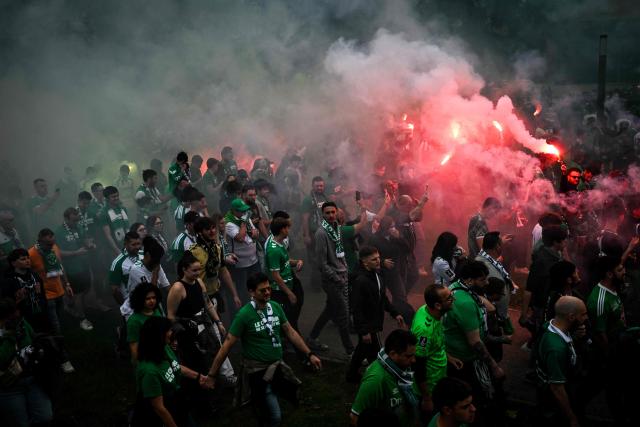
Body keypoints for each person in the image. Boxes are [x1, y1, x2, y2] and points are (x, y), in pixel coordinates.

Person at [205, 272, 322, 427]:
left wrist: (310, 354)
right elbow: (227, 345)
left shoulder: (275, 307)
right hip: (258, 373)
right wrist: (212, 375)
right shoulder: (244, 315)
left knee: (288, 396)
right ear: (251, 292)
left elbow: (290, 332)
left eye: (268, 288)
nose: (267, 292)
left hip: (276, 366)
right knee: (274, 416)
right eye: (262, 290)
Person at [167, 254, 235, 387]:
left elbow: (208, 303)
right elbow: (170, 315)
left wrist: (218, 322)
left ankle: (217, 379)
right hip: (188, 329)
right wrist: (174, 336)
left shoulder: (199, 282)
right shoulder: (177, 288)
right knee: (196, 358)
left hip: (204, 323)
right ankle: (198, 384)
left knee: (214, 351)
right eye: (194, 270)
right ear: (184, 270)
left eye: (199, 270)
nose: (198, 273)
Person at [443, 261, 502, 416]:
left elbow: (490, 308)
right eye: (482, 279)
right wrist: (494, 366)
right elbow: (475, 342)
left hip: (460, 356)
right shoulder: (465, 303)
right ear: (469, 280)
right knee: (474, 401)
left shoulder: (457, 287)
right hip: (465, 362)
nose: (487, 283)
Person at [132, 316, 206, 427]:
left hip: (175, 403)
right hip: (161, 414)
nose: (171, 333)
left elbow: (176, 367)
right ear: (159, 335)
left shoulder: (164, 347)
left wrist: (199, 377)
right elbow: (159, 408)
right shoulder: (149, 372)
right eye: (168, 330)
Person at [347, 246, 404, 383]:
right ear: (364, 262)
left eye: (378, 258)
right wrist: (364, 330)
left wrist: (395, 313)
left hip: (374, 321)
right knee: (378, 353)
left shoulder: (378, 274)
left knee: (362, 349)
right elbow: (357, 307)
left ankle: (351, 375)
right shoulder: (360, 281)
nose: (379, 261)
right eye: (374, 259)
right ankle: (381, 379)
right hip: (368, 325)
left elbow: (382, 297)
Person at [308, 201, 354, 355]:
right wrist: (336, 277)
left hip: (342, 274)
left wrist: (345, 269)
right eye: (327, 213)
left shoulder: (337, 228)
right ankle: (350, 351)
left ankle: (312, 338)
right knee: (343, 315)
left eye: (332, 212)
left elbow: (339, 254)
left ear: (336, 212)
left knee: (329, 310)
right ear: (322, 214)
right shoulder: (321, 233)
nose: (330, 215)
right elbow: (321, 263)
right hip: (332, 279)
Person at [27, 229, 75, 373]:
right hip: (46, 296)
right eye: (48, 244)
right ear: (40, 240)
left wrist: (67, 284)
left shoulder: (54, 248)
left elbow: (60, 267)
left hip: (59, 292)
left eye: (52, 243)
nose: (51, 246)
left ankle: (52, 345)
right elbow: (29, 275)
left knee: (58, 324)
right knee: (56, 327)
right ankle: (63, 358)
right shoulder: (31, 254)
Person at [0, 298, 53, 427]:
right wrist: (10, 336)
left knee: (45, 417)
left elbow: (33, 338)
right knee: (21, 423)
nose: (15, 320)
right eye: (10, 317)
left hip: (32, 379)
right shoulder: (9, 332)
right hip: (9, 386)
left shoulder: (21, 323)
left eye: (16, 315)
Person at [536, 296, 588, 427]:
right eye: (583, 315)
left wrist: (574, 337)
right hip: (554, 403)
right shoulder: (556, 348)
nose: (586, 318)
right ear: (571, 317)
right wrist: (571, 418)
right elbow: (557, 388)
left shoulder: (552, 324)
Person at [350, 329, 418, 427]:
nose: (413, 360)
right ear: (393, 354)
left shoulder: (401, 369)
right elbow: (355, 417)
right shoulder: (376, 380)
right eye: (408, 356)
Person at [412, 284, 455, 418]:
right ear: (437, 305)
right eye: (449, 298)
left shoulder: (428, 310)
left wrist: (449, 357)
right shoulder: (424, 331)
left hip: (439, 379)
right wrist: (427, 398)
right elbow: (418, 365)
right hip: (430, 388)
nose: (453, 299)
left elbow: (434, 346)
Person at [188, 216, 241, 320]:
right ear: (200, 232)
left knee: (220, 323)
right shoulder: (193, 252)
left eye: (213, 228)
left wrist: (235, 295)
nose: (212, 231)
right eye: (207, 229)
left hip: (215, 293)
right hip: (200, 297)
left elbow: (224, 271)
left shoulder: (217, 248)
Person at [521, 225, 568, 340]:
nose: (566, 243)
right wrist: (523, 314)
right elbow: (529, 289)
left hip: (552, 305)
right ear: (555, 242)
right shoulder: (541, 261)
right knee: (540, 336)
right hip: (542, 307)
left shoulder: (557, 255)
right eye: (563, 240)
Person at [56, 207, 95, 331]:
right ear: (66, 218)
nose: (75, 223)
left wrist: (89, 244)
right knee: (78, 293)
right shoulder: (59, 232)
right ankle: (82, 319)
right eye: (73, 220)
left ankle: (71, 305)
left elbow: (84, 239)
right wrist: (75, 253)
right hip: (72, 268)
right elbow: (58, 252)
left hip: (84, 264)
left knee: (86, 289)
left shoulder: (78, 227)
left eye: (77, 220)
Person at [265, 216, 304, 334]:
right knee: (288, 322)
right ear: (282, 230)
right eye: (287, 228)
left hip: (287, 287)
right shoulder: (273, 250)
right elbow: (276, 276)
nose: (289, 230)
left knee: (290, 320)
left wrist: (297, 262)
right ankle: (298, 349)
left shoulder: (279, 243)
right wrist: (290, 293)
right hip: (280, 292)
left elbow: (285, 261)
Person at [121, 237, 171, 320]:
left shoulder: (156, 263)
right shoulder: (136, 269)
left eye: (159, 259)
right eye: (156, 259)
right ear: (147, 255)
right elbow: (150, 292)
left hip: (152, 304)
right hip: (137, 309)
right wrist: (155, 273)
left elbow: (166, 286)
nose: (158, 262)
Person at [1, 249, 48, 332]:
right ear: (13, 263)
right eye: (23, 259)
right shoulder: (9, 281)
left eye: (28, 258)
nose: (27, 261)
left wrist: (44, 305)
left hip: (42, 313)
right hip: (25, 318)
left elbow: (43, 293)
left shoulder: (34, 275)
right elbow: (7, 302)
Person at [224, 198, 261, 305]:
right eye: (241, 210)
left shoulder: (245, 218)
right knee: (244, 289)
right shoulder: (229, 223)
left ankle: (257, 304)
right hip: (241, 263)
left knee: (256, 284)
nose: (244, 212)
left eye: (245, 210)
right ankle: (246, 308)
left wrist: (255, 232)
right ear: (234, 211)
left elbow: (255, 231)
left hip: (253, 260)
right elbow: (240, 237)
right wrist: (244, 222)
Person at [301, 176, 328, 288]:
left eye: (321, 185)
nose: (319, 188)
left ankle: (323, 281)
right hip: (313, 233)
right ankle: (315, 285)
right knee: (315, 260)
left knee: (324, 258)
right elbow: (305, 218)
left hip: (324, 233)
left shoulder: (324, 197)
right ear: (313, 186)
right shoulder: (308, 200)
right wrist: (307, 235)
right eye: (317, 186)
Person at [127, 282, 163, 362]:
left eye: (154, 298)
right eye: (148, 299)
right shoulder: (134, 321)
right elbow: (134, 349)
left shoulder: (156, 311)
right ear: (140, 299)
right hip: (147, 360)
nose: (152, 301)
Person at [109, 231, 143, 306]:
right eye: (133, 244)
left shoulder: (143, 255)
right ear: (125, 245)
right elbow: (114, 290)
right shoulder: (117, 263)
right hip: (132, 304)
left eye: (138, 244)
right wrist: (124, 307)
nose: (137, 247)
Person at [100, 186, 130, 256]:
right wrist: (117, 250)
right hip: (116, 249)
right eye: (113, 197)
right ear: (107, 199)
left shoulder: (123, 209)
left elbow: (128, 227)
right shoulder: (103, 213)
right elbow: (108, 235)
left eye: (117, 196)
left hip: (129, 245)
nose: (116, 198)